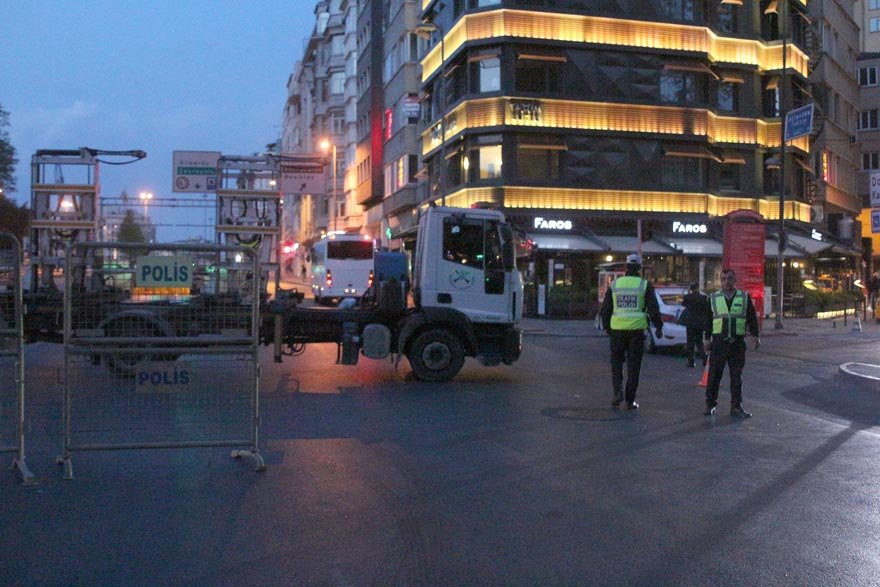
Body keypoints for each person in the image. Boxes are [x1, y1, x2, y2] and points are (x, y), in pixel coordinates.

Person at [600, 253, 664, 411]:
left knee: (616, 364)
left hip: (617, 331)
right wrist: (659, 327)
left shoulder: (615, 285)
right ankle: (630, 400)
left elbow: (606, 310)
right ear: (640, 268)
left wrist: (608, 328)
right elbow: (654, 310)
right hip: (636, 332)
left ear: (627, 267)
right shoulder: (644, 285)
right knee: (634, 367)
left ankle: (617, 392)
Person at [704, 268, 760, 418]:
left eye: (729, 279)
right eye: (723, 279)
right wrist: (706, 339)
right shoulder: (713, 298)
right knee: (714, 376)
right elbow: (708, 320)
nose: (726, 282)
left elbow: (751, 318)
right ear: (720, 281)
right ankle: (710, 404)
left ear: (735, 280)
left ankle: (736, 406)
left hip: (737, 344)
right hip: (719, 343)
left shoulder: (744, 297)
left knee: (736, 377)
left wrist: (755, 335)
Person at [681, 282, 711, 368]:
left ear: (691, 289)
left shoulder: (688, 297)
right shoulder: (704, 298)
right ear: (698, 288)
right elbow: (707, 309)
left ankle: (691, 361)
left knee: (690, 342)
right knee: (699, 342)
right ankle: (704, 359)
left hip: (690, 322)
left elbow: (683, 304)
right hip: (700, 323)